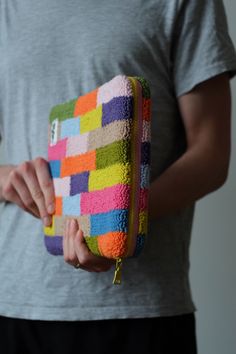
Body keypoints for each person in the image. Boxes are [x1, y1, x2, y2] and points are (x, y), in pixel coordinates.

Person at [0, 0, 236, 353]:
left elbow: (211, 153)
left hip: (141, 311)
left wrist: (119, 222)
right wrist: (6, 179)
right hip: (16, 302)